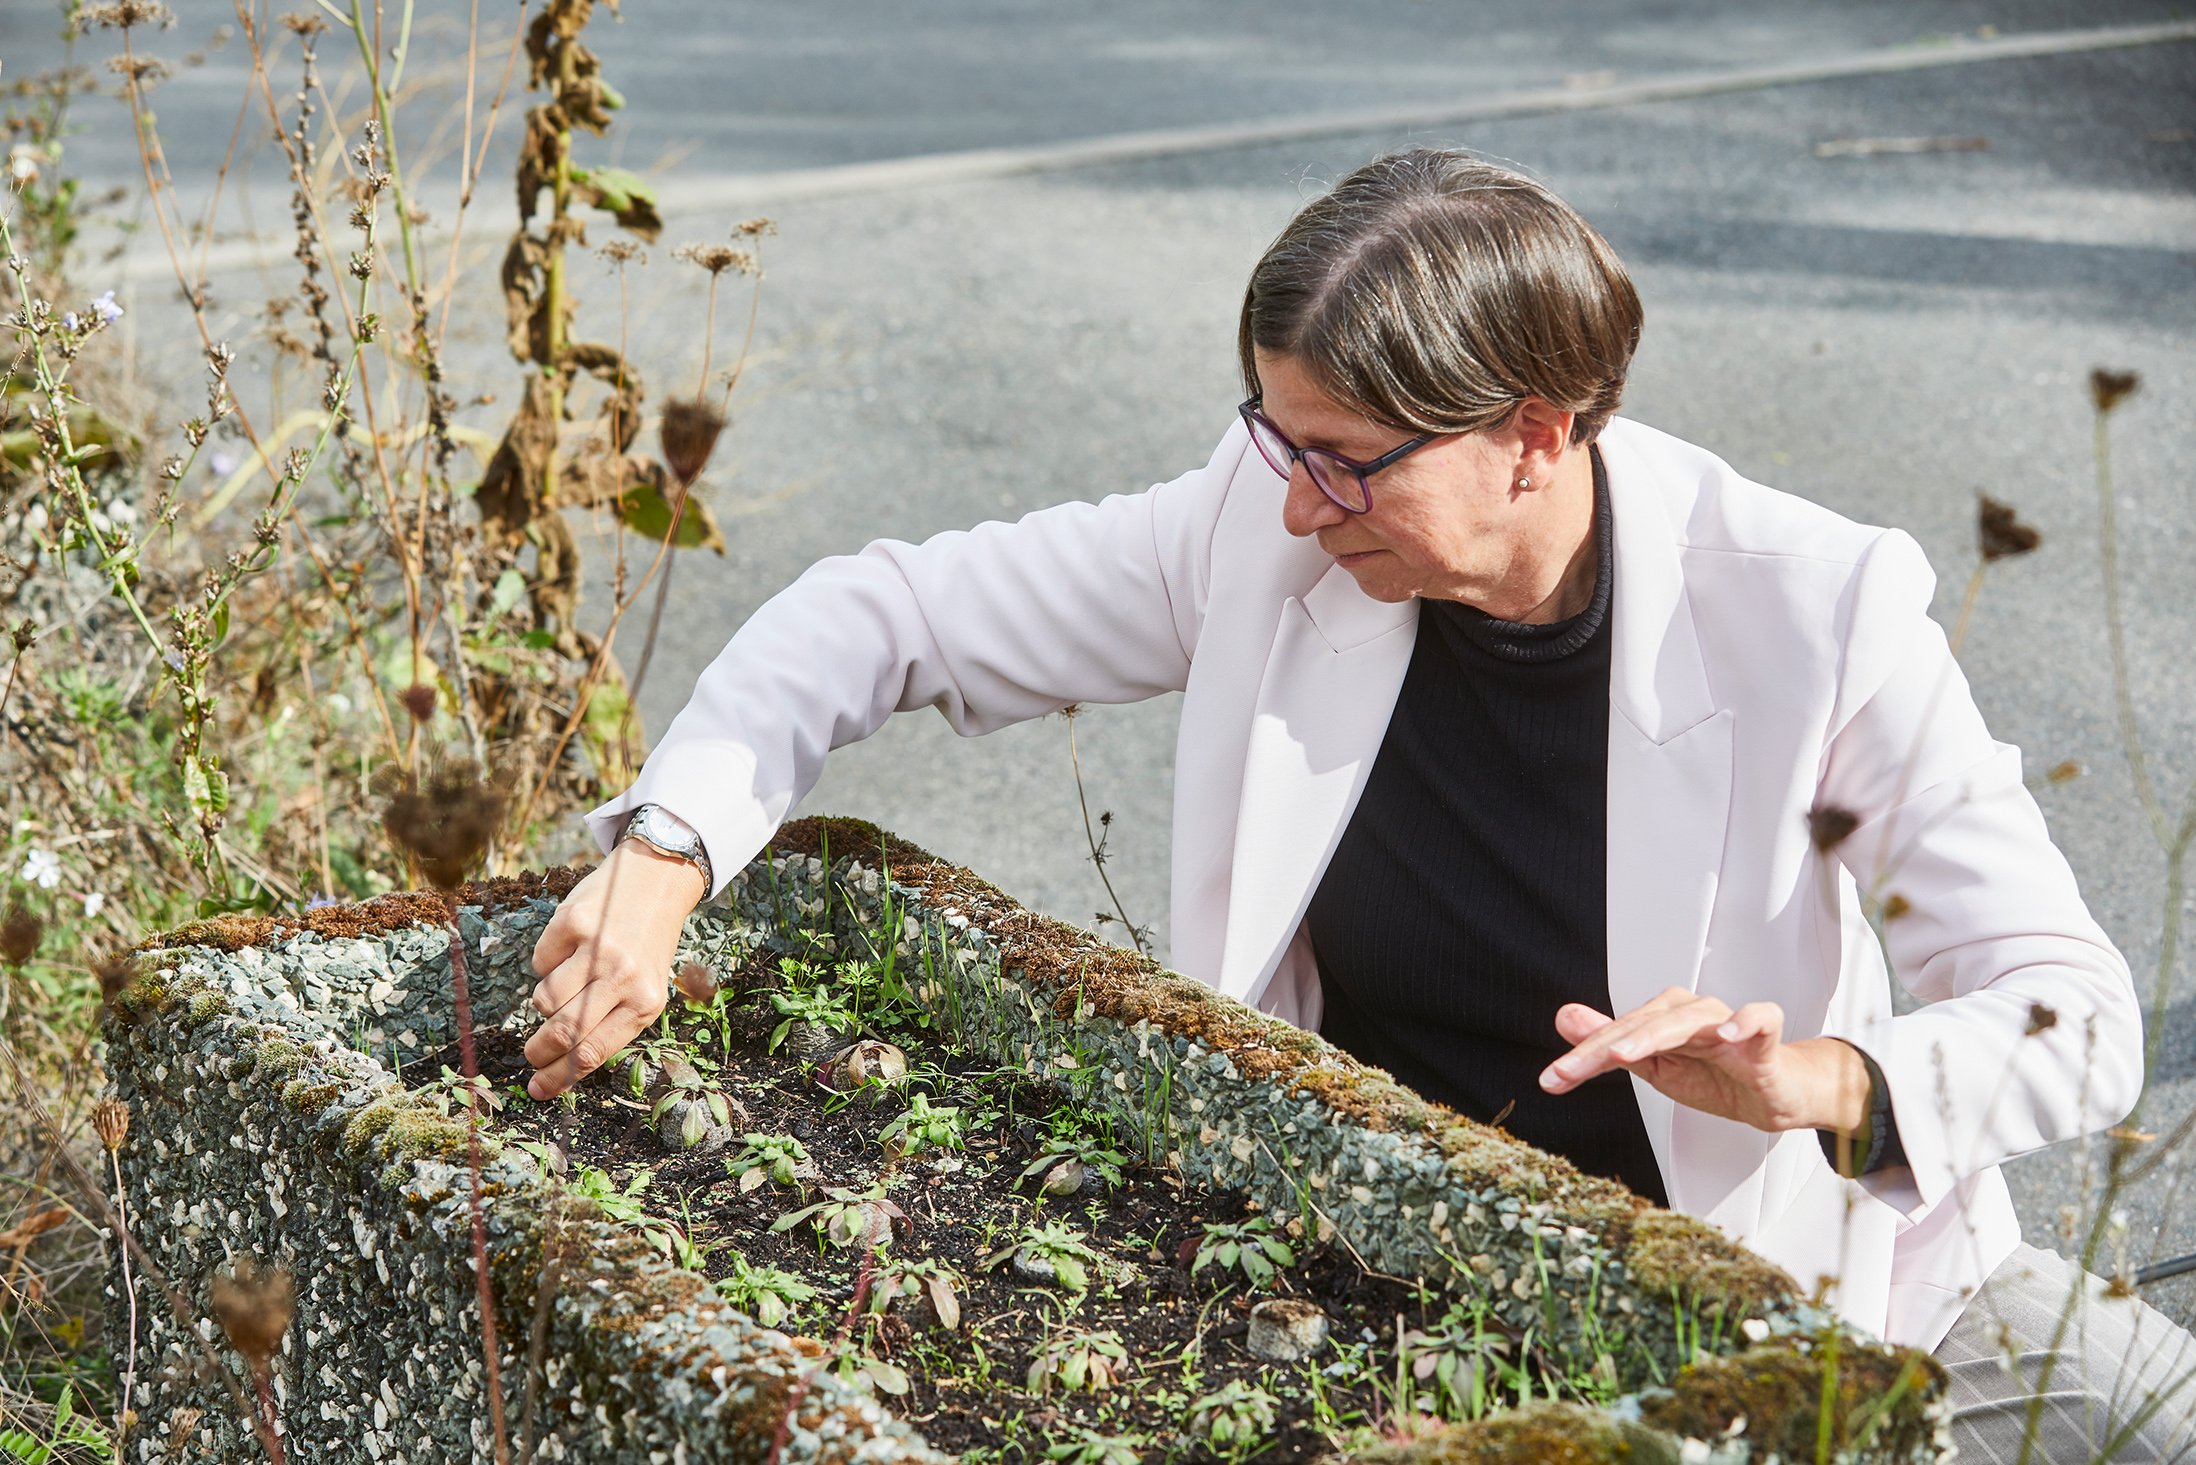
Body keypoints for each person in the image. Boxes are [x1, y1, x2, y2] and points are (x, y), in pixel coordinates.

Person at [526, 149, 2193, 1458]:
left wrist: (1821, 1080)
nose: (1298, 501)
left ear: (1539, 431)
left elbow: (2078, 1012)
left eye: (1347, 458)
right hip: (1398, 1274)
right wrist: (668, 850)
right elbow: (884, 610)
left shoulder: (1819, 612)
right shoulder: (1258, 527)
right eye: (1277, 433)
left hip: (1785, 1284)